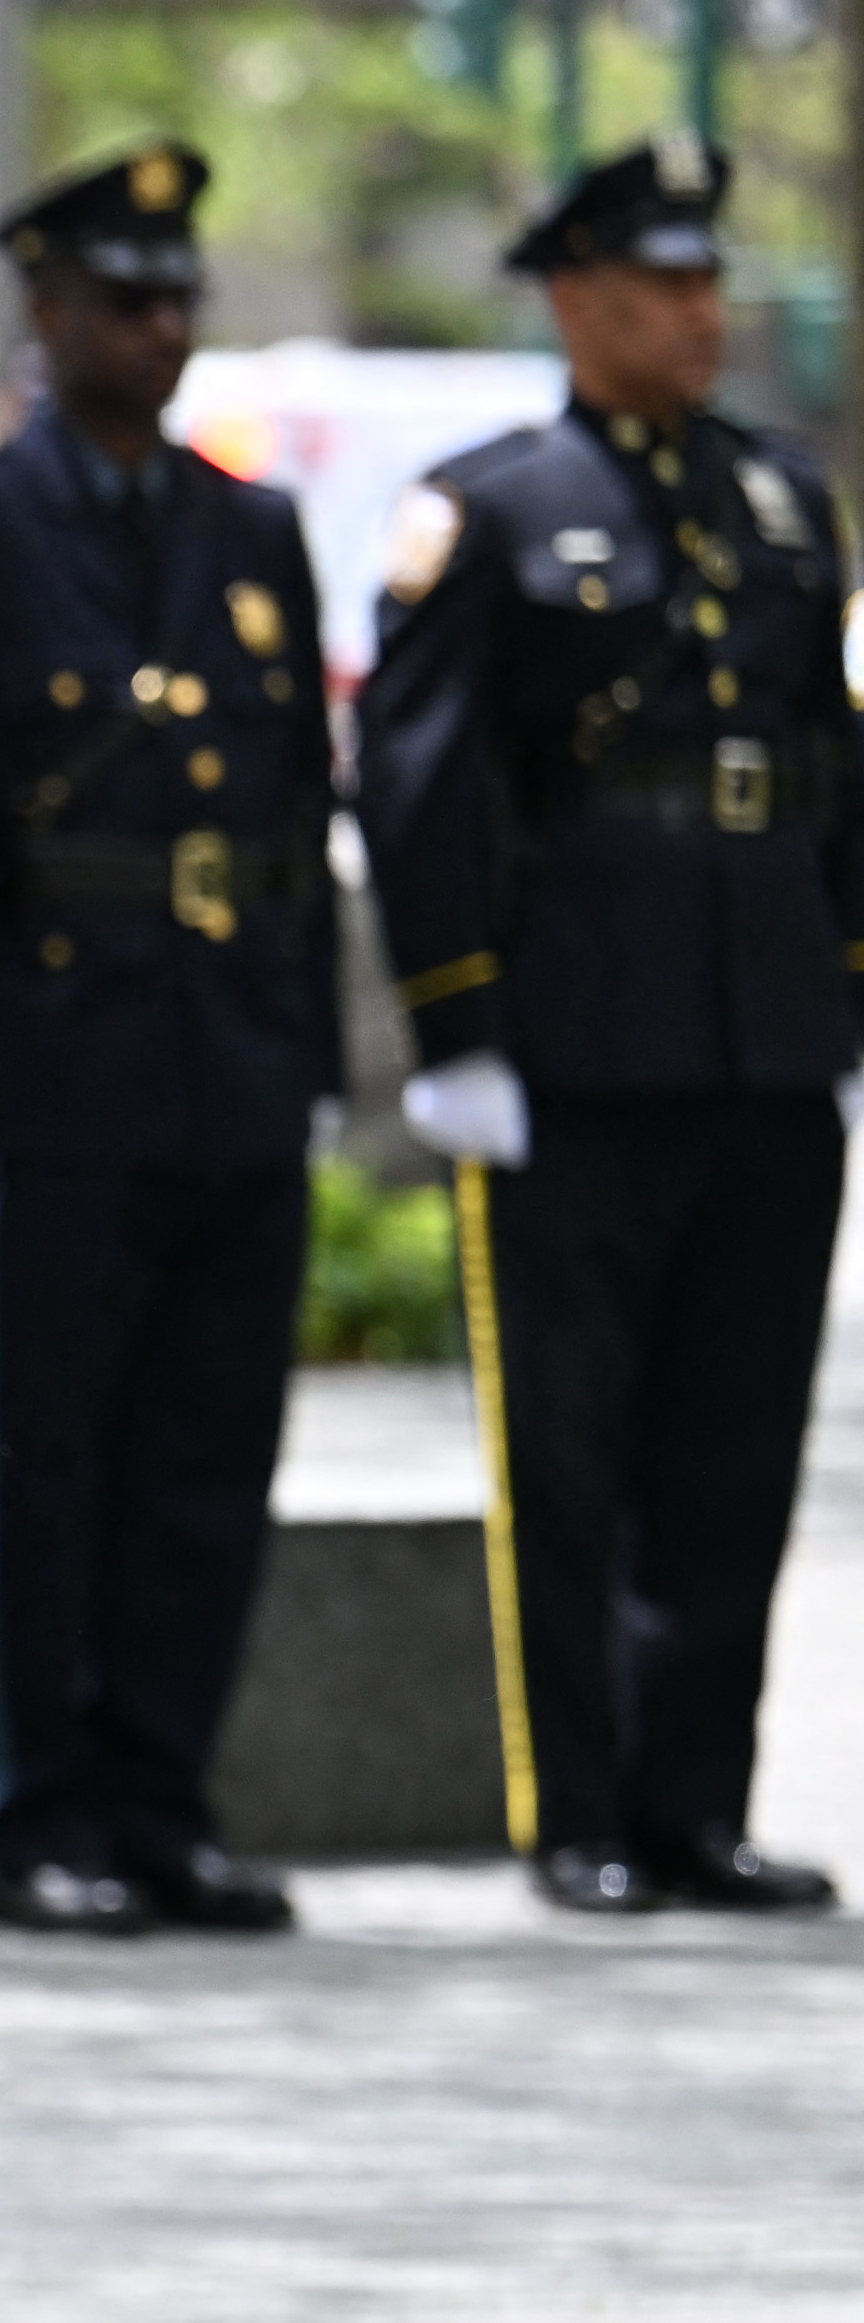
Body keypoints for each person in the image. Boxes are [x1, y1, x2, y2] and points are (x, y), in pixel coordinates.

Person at [0, 144, 339, 1939]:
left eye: (180, 294)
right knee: (47, 1460)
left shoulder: (245, 526)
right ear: (43, 313)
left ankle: (160, 1800)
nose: (161, 325)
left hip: (229, 1056)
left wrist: (316, 1063)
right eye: (125, 296)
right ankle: (34, 1811)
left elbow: (293, 816)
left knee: (207, 1455)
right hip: (41, 1058)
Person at [351, 140, 855, 1920]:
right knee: (567, 1446)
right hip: (570, 1045)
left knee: (733, 1443)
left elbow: (830, 775)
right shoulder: (485, 509)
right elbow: (416, 782)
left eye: (712, 282)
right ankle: (574, 1810)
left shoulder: (782, 502)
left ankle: (694, 1802)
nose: (704, 316)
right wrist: (454, 1023)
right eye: (663, 288)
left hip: (765, 1046)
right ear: (574, 301)